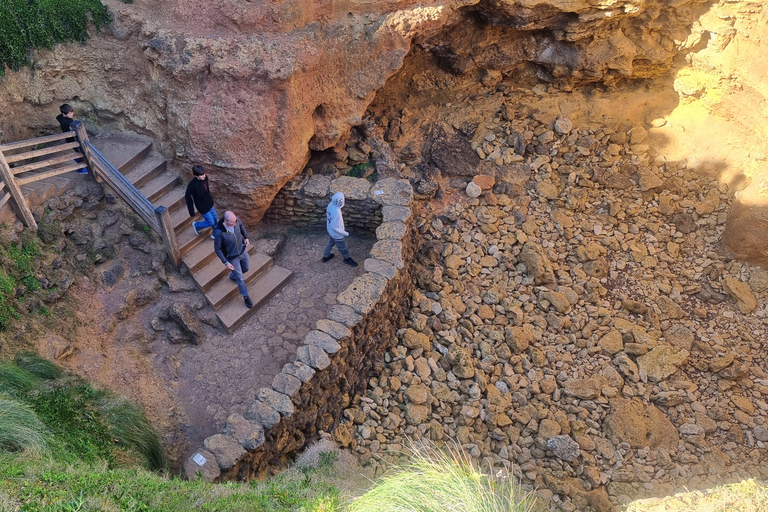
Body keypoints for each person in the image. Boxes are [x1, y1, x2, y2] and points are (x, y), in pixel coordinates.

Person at [213, 211, 253, 308]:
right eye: (232, 222)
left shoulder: (236, 220)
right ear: (226, 220)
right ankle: (246, 296)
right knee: (240, 278)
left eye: (235, 221)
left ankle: (232, 276)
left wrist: (246, 237)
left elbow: (241, 226)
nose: (235, 223)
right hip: (232, 257)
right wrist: (225, 262)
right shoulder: (219, 232)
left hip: (242, 251)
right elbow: (217, 248)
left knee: (246, 268)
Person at [322, 192, 357, 267]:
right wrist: (345, 233)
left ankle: (326, 256)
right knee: (342, 247)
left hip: (330, 231)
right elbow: (335, 228)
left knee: (330, 243)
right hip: (337, 235)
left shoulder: (330, 205)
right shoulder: (337, 213)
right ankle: (347, 259)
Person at [185, 165, 218, 239]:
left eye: (204, 173)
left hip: (209, 203)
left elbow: (207, 189)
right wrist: (191, 211)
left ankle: (215, 234)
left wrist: (209, 198)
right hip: (202, 206)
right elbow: (188, 197)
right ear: (196, 175)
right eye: (201, 175)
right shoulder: (192, 185)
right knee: (211, 222)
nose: (204, 175)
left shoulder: (205, 178)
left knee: (215, 218)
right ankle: (197, 225)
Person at [55, 104, 87, 174]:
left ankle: (77, 158)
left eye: (72, 112)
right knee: (81, 152)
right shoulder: (67, 122)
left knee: (79, 151)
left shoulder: (61, 117)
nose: (71, 114)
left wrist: (64, 115)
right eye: (69, 113)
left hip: (69, 139)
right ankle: (80, 169)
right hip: (72, 140)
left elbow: (58, 117)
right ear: (64, 113)